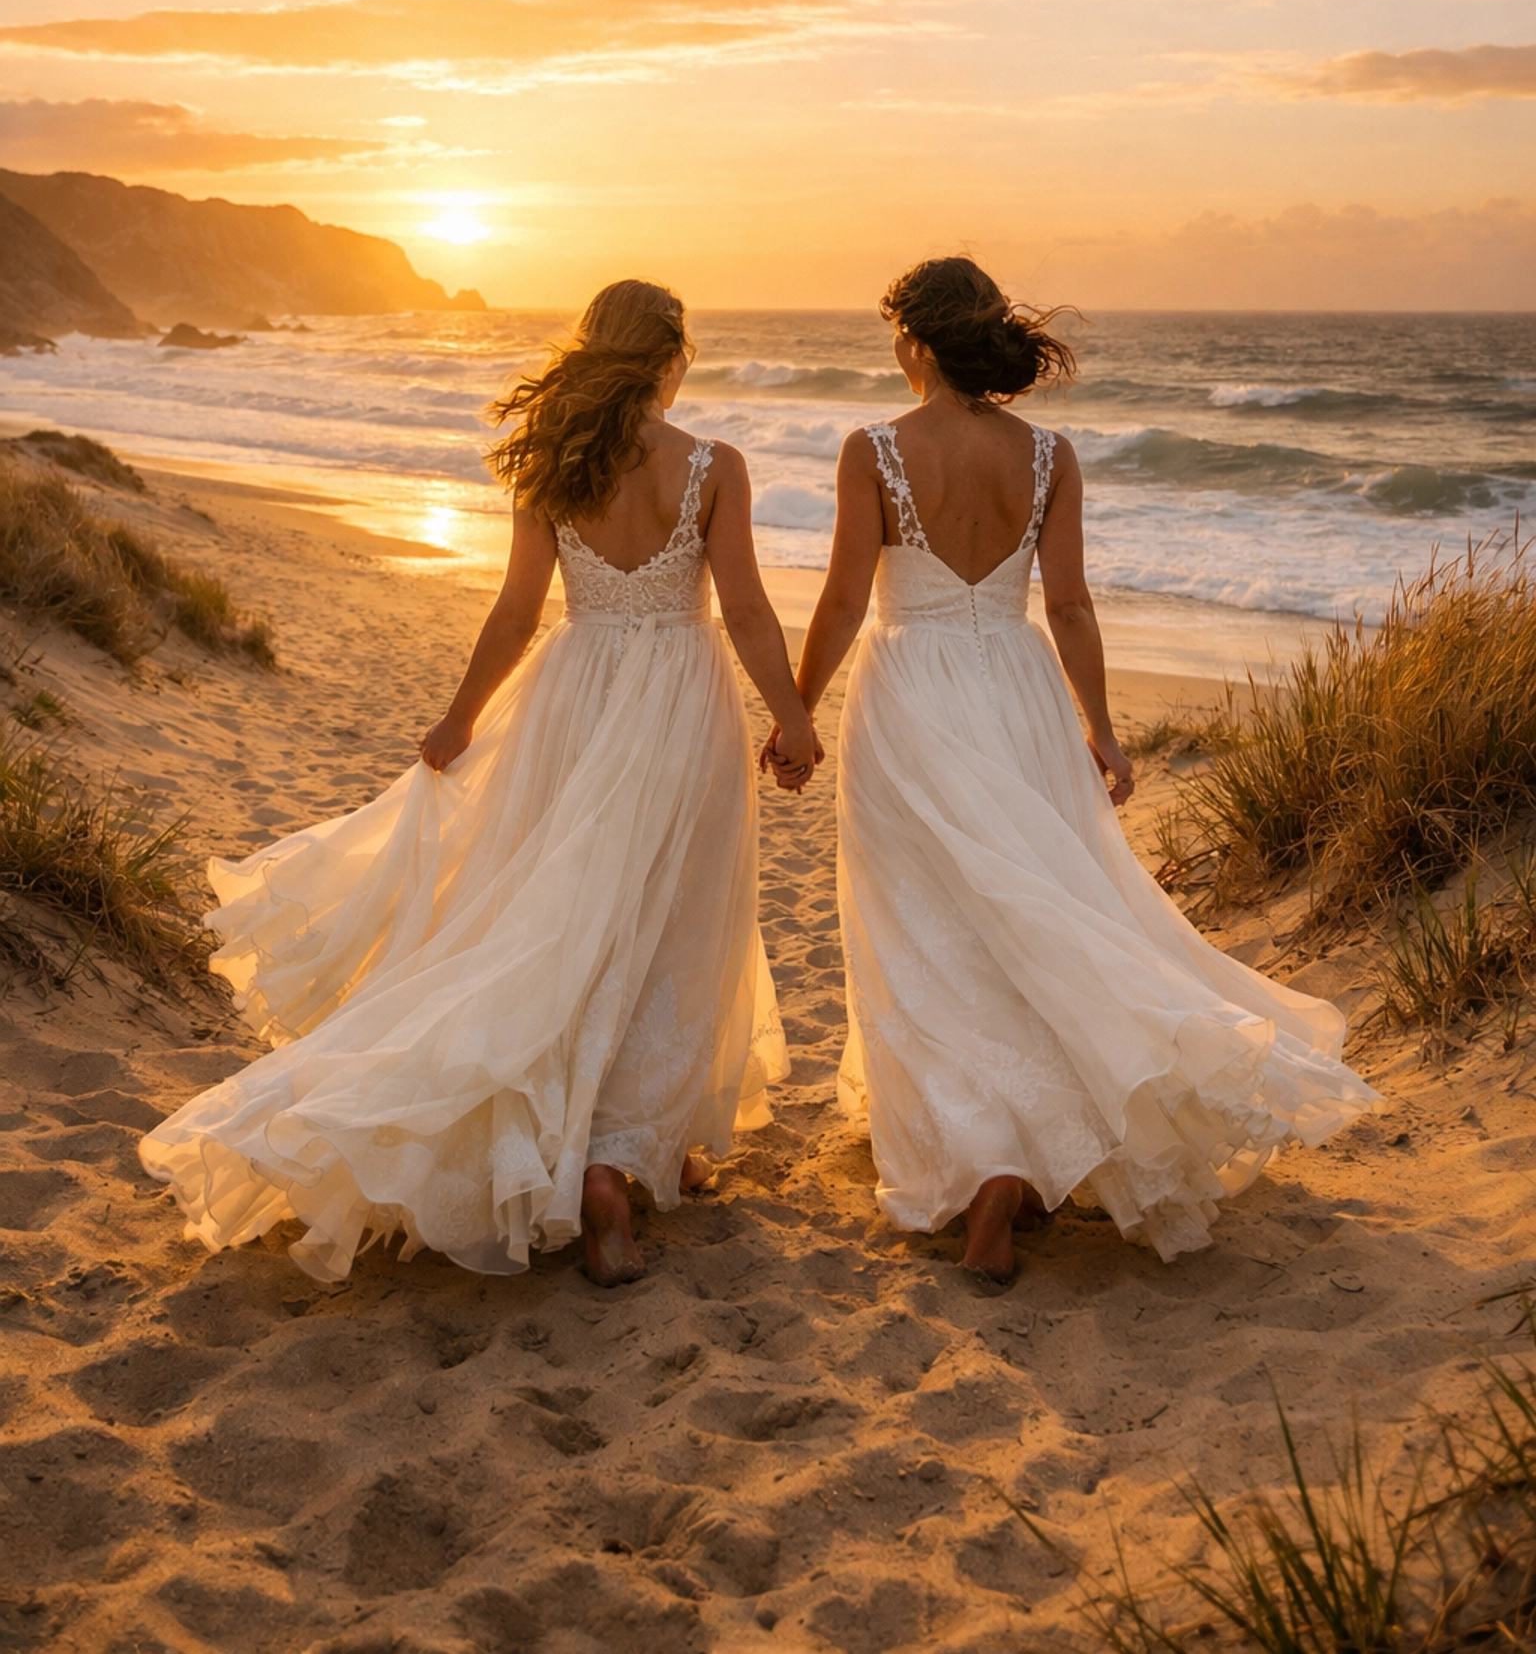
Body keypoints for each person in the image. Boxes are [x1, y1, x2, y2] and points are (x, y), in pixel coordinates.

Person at [142, 279, 813, 1287]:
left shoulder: (550, 464)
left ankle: (611, 1145)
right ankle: (621, 1156)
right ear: (670, 356)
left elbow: (513, 613)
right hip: (682, 694)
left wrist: (461, 716)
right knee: (672, 913)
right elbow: (751, 610)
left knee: (566, 910)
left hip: (573, 691)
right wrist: (793, 716)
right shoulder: (713, 467)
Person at [767, 255, 1376, 1287]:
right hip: (1019, 690)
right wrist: (1100, 728)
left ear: (914, 340)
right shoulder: (1049, 455)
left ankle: (985, 1160)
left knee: (924, 923)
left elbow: (839, 598)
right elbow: (1073, 609)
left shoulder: (873, 449)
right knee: (1035, 904)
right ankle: (1028, 1157)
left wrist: (799, 711)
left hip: (910, 689)